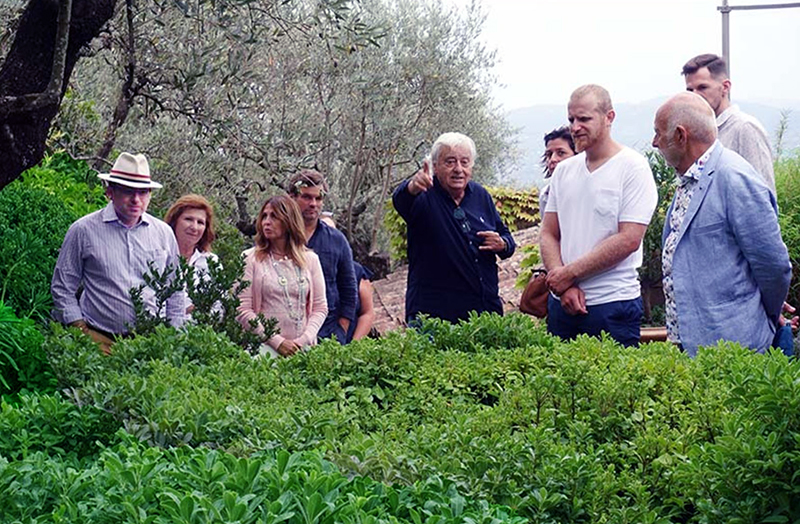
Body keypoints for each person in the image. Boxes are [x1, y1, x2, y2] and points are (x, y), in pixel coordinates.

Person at [653, 92, 791, 356]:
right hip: (692, 347)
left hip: (732, 347)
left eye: (659, 133)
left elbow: (773, 266)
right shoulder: (690, 178)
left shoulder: (734, 177)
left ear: (681, 136)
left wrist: (764, 316)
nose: (654, 142)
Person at [540, 85, 658, 347]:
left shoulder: (633, 167)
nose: (575, 126)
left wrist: (567, 274)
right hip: (562, 304)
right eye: (571, 119)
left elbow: (628, 239)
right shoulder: (564, 171)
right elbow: (549, 232)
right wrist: (564, 284)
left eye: (584, 119)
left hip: (612, 304)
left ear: (609, 117)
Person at [51, 152, 185, 353]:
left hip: (149, 345)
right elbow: (62, 287)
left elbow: (175, 289)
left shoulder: (163, 233)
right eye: (128, 191)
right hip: (96, 341)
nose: (136, 200)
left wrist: (172, 338)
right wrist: (81, 330)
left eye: (143, 192)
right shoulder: (83, 230)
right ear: (110, 192)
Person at [392, 132, 516, 324]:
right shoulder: (423, 196)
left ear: (471, 166)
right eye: (450, 162)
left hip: (484, 314)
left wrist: (503, 244)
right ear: (435, 166)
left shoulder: (480, 196)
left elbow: (507, 238)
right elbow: (400, 200)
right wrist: (412, 186)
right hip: (433, 319)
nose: (458, 169)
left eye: (464, 162)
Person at [236, 195, 328, 357]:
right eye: (264, 216)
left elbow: (320, 308)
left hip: (303, 350)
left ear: (288, 221)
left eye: (274, 216)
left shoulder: (310, 260)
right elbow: (242, 309)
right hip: (262, 350)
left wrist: (303, 340)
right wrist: (277, 342)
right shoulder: (250, 259)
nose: (266, 222)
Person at [682, 53, 775, 194]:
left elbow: (763, 194)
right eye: (690, 90)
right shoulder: (698, 133)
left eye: (702, 87)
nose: (695, 95)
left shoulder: (744, 128)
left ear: (725, 87)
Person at [288, 170, 357, 343]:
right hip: (287, 335)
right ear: (292, 197)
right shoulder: (278, 237)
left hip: (328, 333)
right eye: (306, 197)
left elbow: (349, 286)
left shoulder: (336, 240)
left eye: (318, 198)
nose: (313, 204)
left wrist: (342, 328)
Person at [319, 215, 375, 341]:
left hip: (347, 342)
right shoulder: (308, 267)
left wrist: (353, 345)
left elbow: (367, 313)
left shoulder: (357, 271)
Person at [164, 194, 218, 313]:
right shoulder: (159, 257)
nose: (194, 227)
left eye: (200, 222)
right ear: (175, 221)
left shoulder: (211, 262)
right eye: (188, 219)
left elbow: (218, 306)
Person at [539, 126, 576, 214]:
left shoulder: (590, 190)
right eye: (549, 154)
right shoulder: (545, 195)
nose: (553, 159)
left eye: (561, 153)